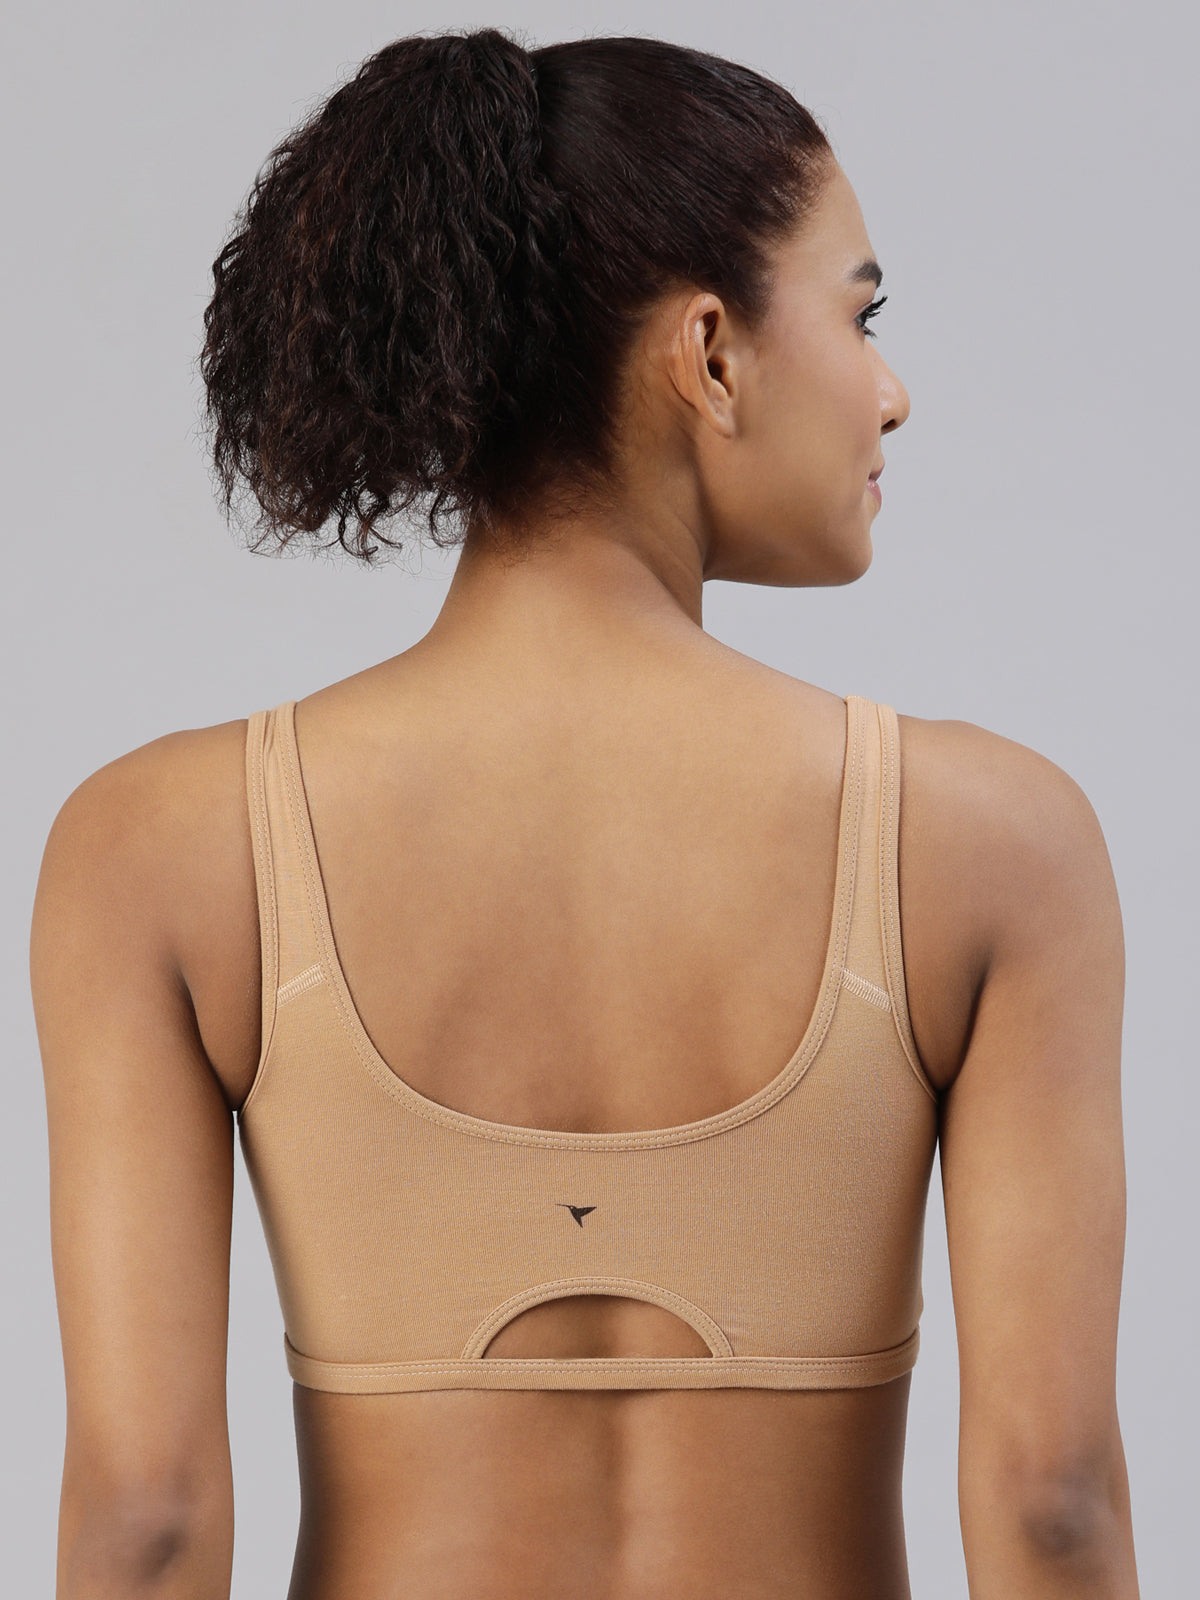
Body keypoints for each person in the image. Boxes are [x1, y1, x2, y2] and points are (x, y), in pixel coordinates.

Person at [30, 27, 1140, 1600]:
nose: (890, 395)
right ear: (710, 352)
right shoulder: (991, 843)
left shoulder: (160, 846)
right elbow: (1053, 1499)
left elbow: (144, 1518)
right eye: (861, 313)